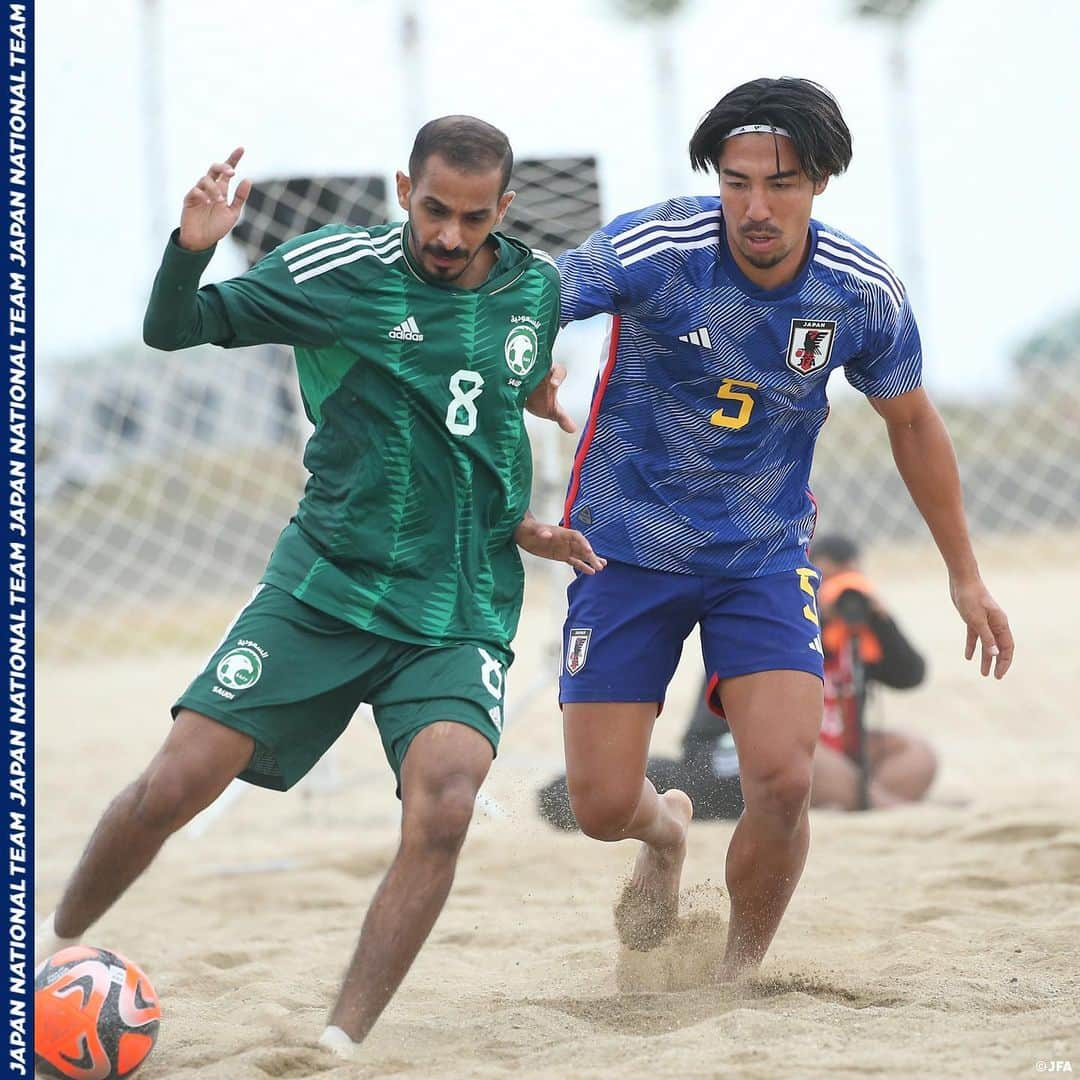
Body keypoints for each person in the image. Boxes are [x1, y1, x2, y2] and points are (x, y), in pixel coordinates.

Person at [34, 116, 605, 1060]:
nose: (450, 235)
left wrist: (525, 524)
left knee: (449, 802)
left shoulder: (533, 287)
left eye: (472, 216)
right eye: (433, 210)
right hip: (325, 589)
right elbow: (174, 329)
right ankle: (54, 950)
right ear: (401, 189)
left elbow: (497, 416)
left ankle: (336, 1044)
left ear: (504, 209)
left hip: (458, 605)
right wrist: (191, 250)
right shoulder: (333, 270)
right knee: (170, 787)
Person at [545, 78, 1013, 973]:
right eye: (737, 182)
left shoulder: (858, 290)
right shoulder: (657, 247)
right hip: (624, 546)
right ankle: (666, 831)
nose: (755, 207)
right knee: (601, 805)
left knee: (785, 780)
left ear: (822, 182)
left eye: (782, 183)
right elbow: (531, 300)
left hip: (763, 552)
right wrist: (528, 365)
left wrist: (965, 574)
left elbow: (911, 422)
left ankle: (735, 978)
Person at [536, 533, 935, 824]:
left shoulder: (859, 634)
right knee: (807, 763)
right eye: (829, 582)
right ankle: (888, 807)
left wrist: (880, 619)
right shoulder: (773, 620)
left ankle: (860, 797)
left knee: (918, 752)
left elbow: (910, 675)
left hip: (835, 751)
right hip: (734, 750)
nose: (839, 594)